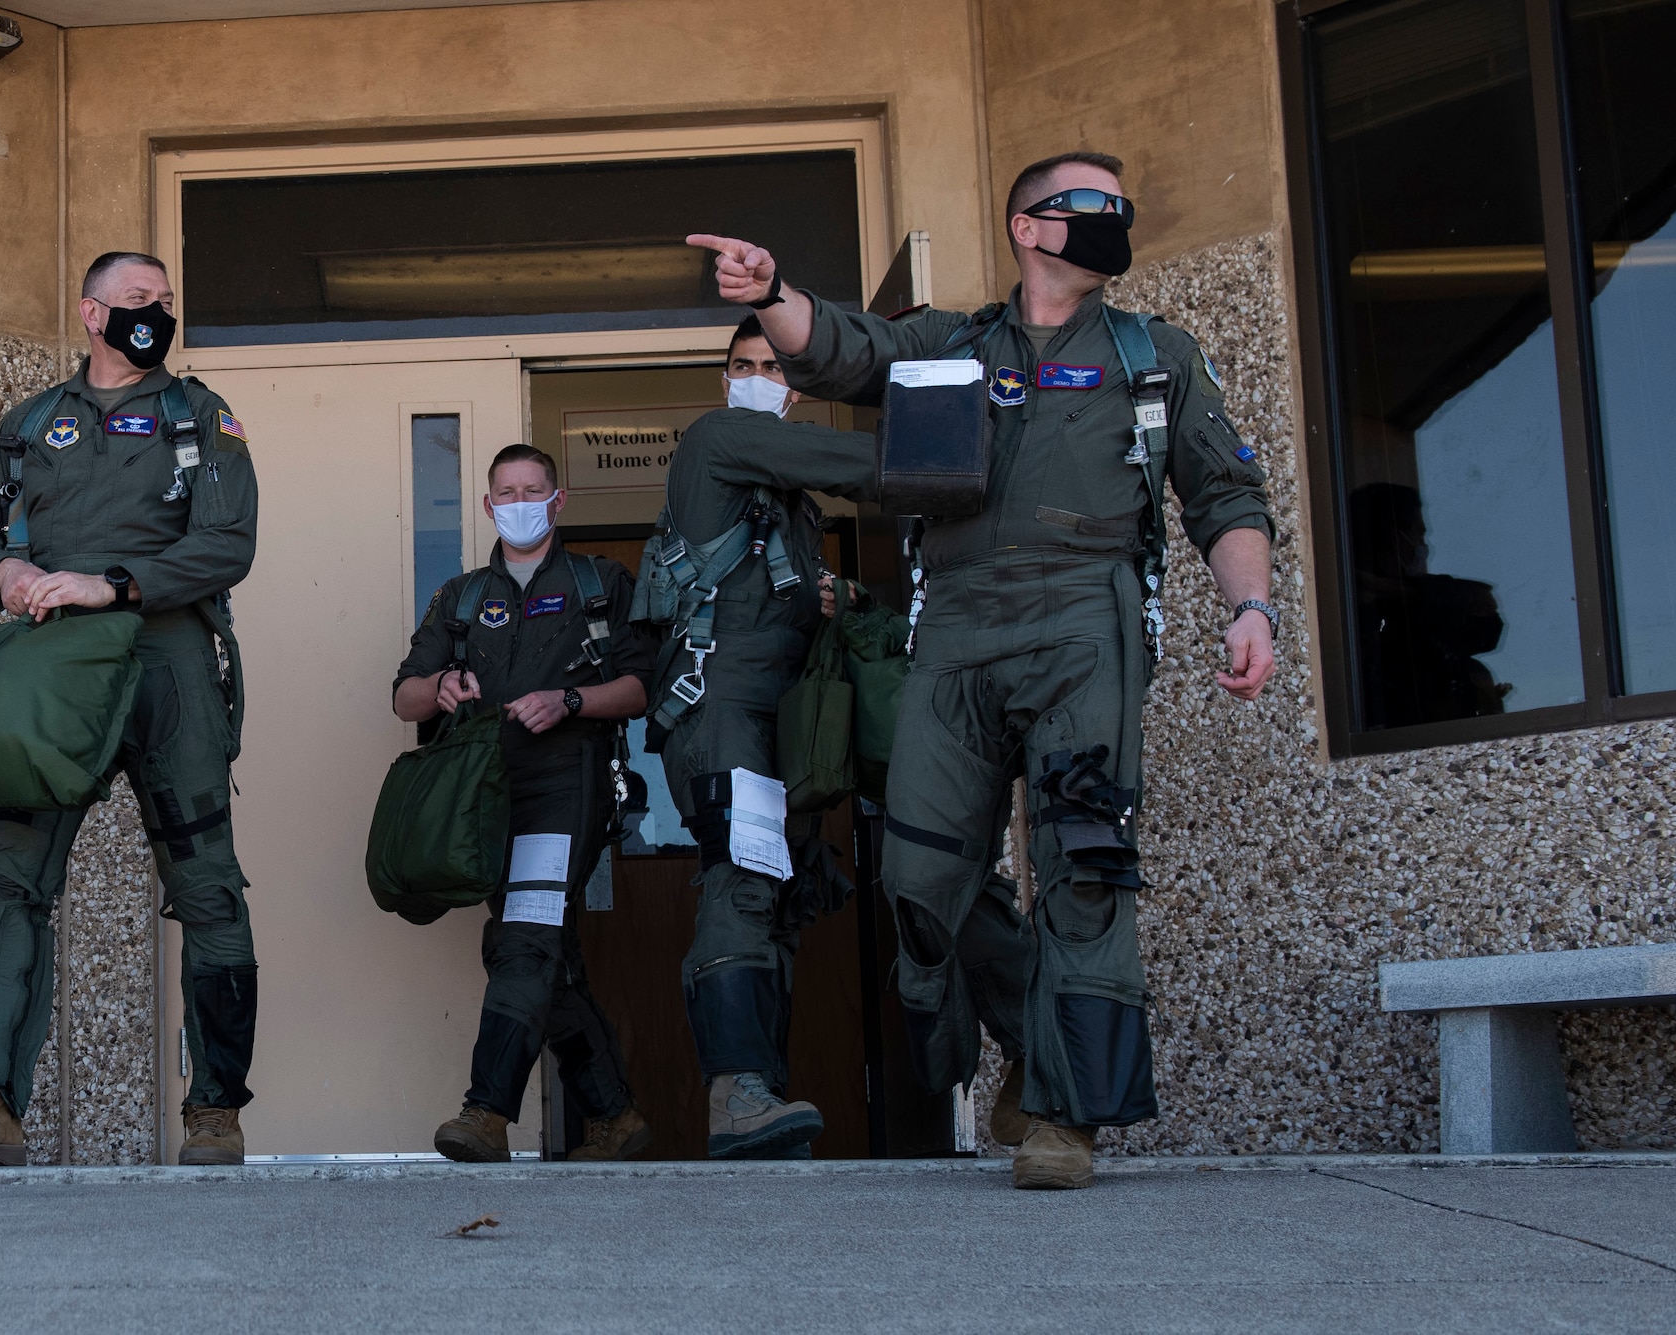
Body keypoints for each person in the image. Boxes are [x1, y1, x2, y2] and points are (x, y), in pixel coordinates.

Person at [689, 148, 1278, 1189]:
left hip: (1083, 626)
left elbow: (1224, 495)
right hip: (954, 629)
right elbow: (840, 352)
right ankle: (980, 1031)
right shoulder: (950, 343)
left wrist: (1251, 605)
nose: (1111, 217)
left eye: (1116, 204)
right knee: (918, 878)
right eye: (1086, 203)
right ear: (1027, 226)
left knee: (1082, 870)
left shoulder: (1154, 355)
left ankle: (1062, 1117)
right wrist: (773, 292)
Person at [0, 251, 261, 1168]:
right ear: (90, 313)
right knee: (12, 879)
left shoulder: (201, 417)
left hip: (170, 663)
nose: (154, 313)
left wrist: (113, 584)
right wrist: (11, 572)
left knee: (207, 885)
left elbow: (228, 545)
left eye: (163, 301)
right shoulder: (35, 420)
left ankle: (215, 1113)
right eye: (135, 300)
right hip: (53, 671)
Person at [638, 315, 879, 1158]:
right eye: (742, 364)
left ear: (795, 383)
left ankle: (761, 1095)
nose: (754, 376)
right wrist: (948, 459)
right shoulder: (717, 441)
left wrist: (833, 600)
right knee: (740, 876)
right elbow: (844, 460)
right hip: (719, 703)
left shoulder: (791, 508)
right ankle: (734, 1089)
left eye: (772, 366)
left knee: (775, 896)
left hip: (775, 711)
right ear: (725, 380)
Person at [393, 444, 656, 1163]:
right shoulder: (461, 596)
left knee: (526, 938)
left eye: (532, 489)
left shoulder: (598, 583)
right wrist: (442, 685)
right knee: (546, 953)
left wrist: (571, 699)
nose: (519, 500)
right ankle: (614, 1114)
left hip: (567, 784)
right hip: (481, 797)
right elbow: (404, 693)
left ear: (557, 500)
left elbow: (641, 686)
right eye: (505, 491)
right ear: (488, 505)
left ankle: (487, 1111)